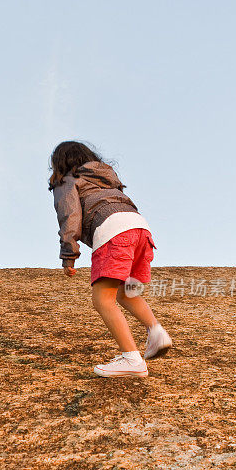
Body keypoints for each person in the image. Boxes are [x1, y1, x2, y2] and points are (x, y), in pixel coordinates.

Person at [49, 140, 172, 377]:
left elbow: (70, 215)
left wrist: (69, 255)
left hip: (113, 232)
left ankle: (132, 360)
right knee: (126, 292)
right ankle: (156, 332)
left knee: (102, 300)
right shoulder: (106, 178)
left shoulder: (67, 181)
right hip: (141, 231)